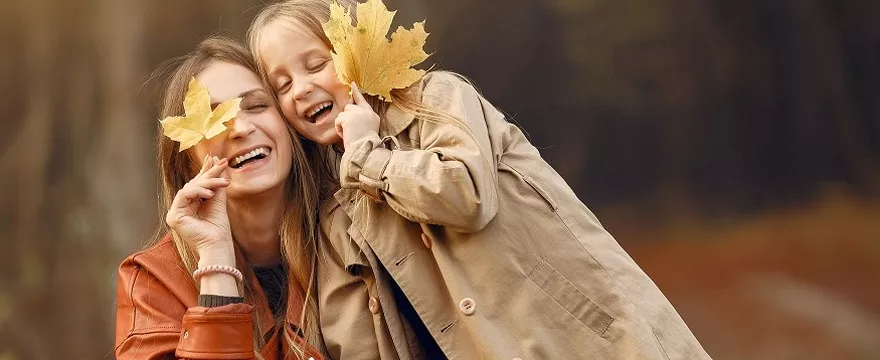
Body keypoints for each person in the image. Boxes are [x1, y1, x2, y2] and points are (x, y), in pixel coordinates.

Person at [249, 1, 713, 359]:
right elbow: (354, 337)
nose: (302, 89)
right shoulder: (338, 213)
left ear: (354, 52)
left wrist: (368, 159)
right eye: (283, 85)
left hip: (579, 342)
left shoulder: (435, 102)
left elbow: (466, 196)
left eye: (314, 65)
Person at [114, 36, 325, 360]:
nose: (240, 128)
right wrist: (216, 265)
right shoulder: (153, 282)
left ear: (289, 125)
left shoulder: (350, 238)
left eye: (256, 105)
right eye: (215, 120)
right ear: (187, 162)